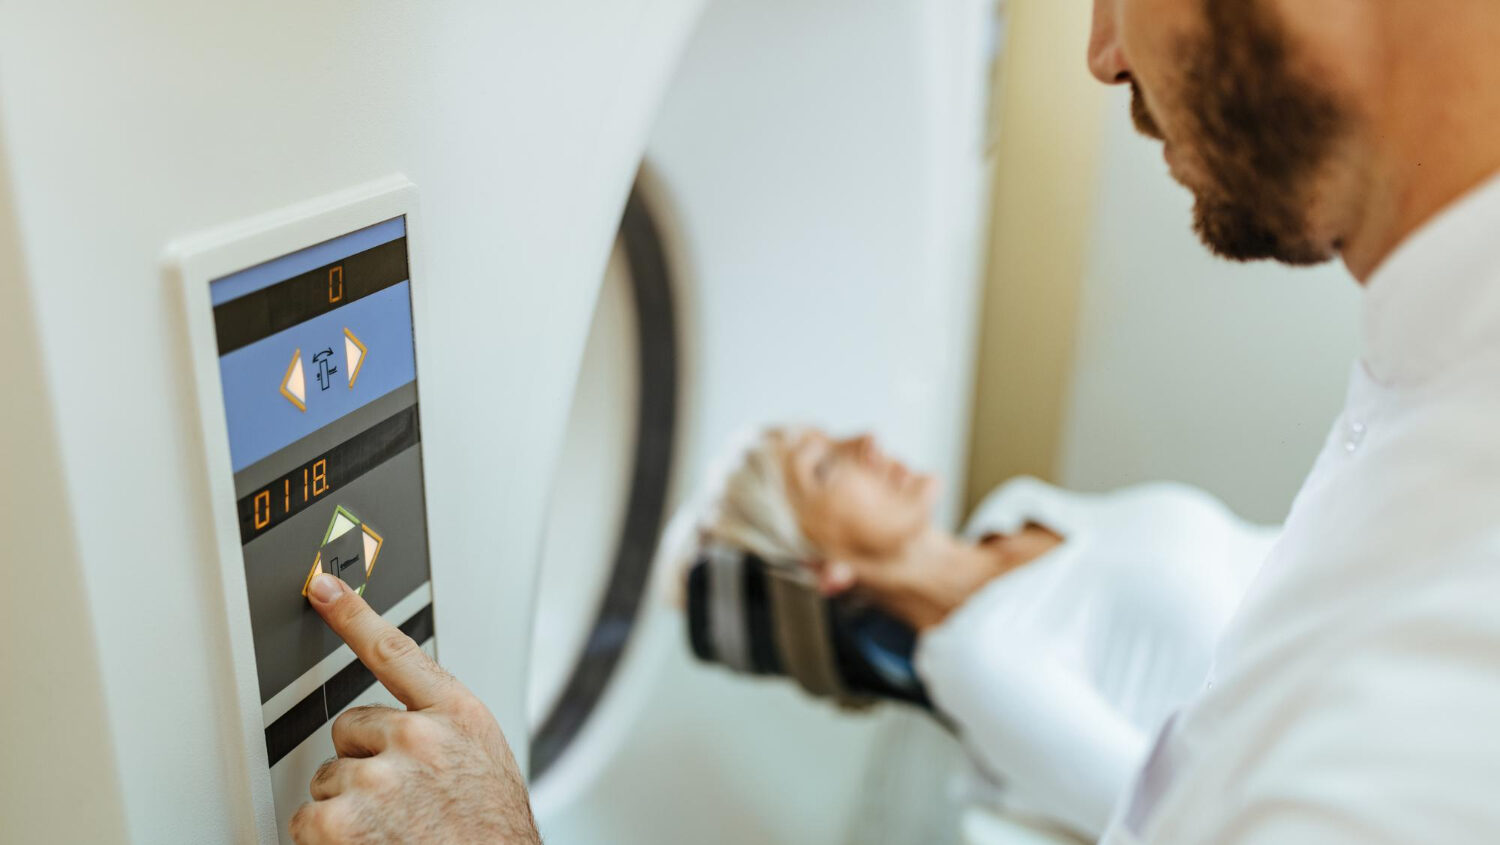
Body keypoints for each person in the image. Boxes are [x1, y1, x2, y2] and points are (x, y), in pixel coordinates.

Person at [292, 0, 1500, 841]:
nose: (1099, 52)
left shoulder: (1426, 673)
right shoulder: (1417, 401)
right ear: (823, 568)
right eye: (825, 466)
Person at [687, 427, 1276, 840]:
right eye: (825, 468)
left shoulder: (1018, 506)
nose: (864, 441)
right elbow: (1176, 819)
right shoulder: (981, 663)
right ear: (823, 572)